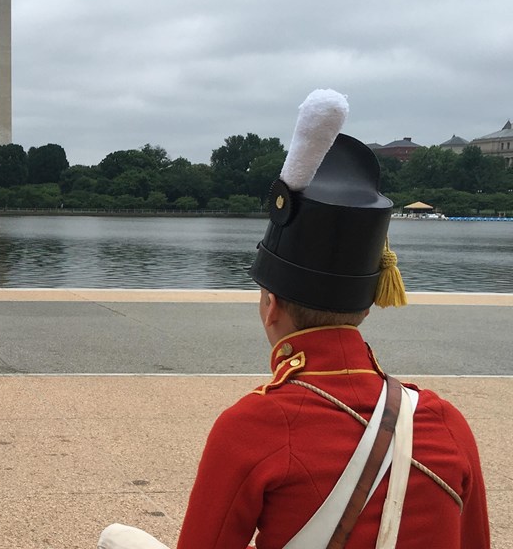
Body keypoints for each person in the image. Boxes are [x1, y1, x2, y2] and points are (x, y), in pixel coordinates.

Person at [99, 89, 490, 549]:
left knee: (116, 539)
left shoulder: (252, 426)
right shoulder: (446, 423)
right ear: (368, 306)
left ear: (270, 306)